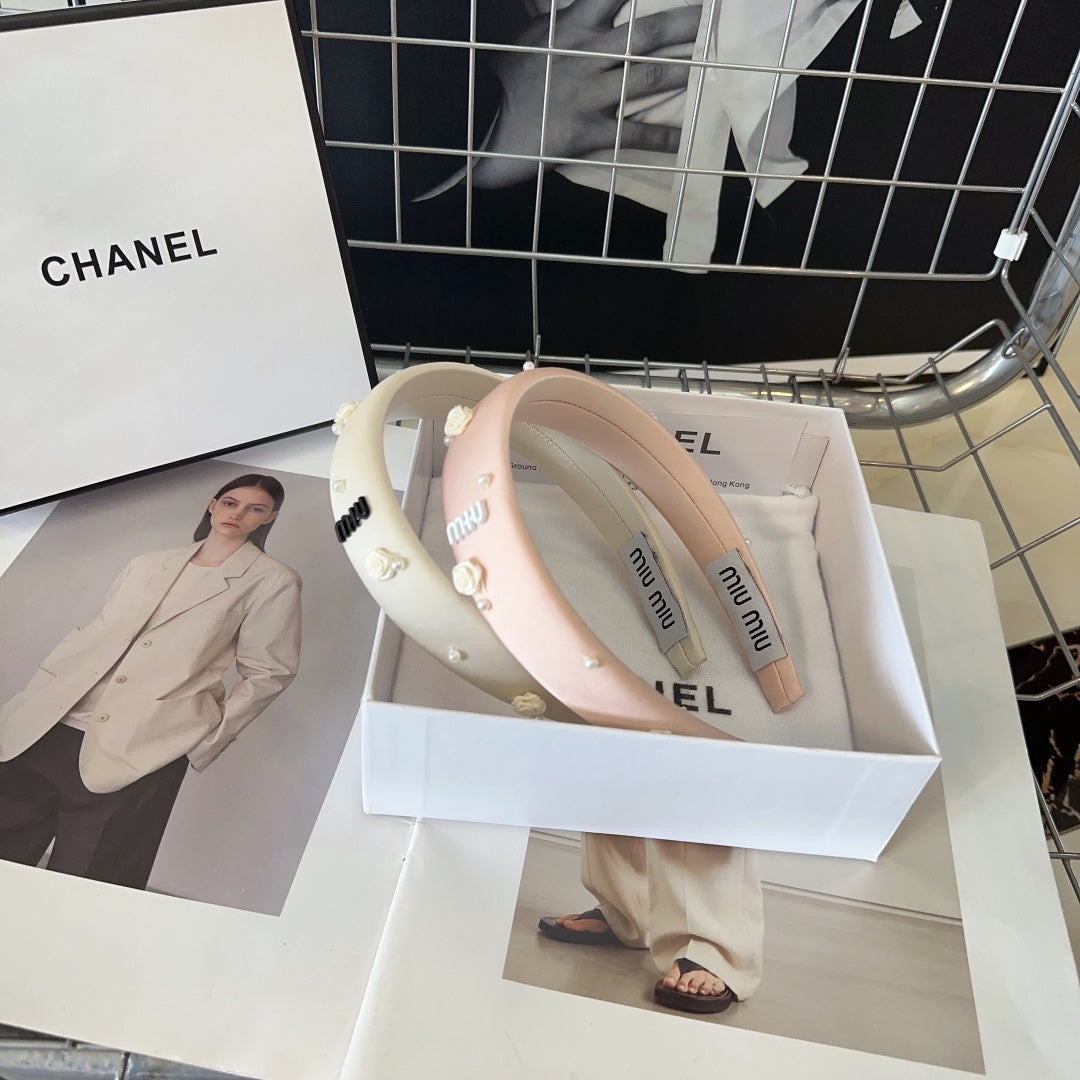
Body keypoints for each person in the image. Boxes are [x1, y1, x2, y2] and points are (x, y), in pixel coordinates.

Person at [0, 474, 302, 891]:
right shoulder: (146, 564)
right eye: (231, 502)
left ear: (270, 518)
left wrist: (202, 741)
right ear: (213, 504)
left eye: (256, 509)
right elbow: (99, 634)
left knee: (91, 883)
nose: (238, 514)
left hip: (142, 745)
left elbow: (270, 671)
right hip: (47, 729)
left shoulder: (272, 580)